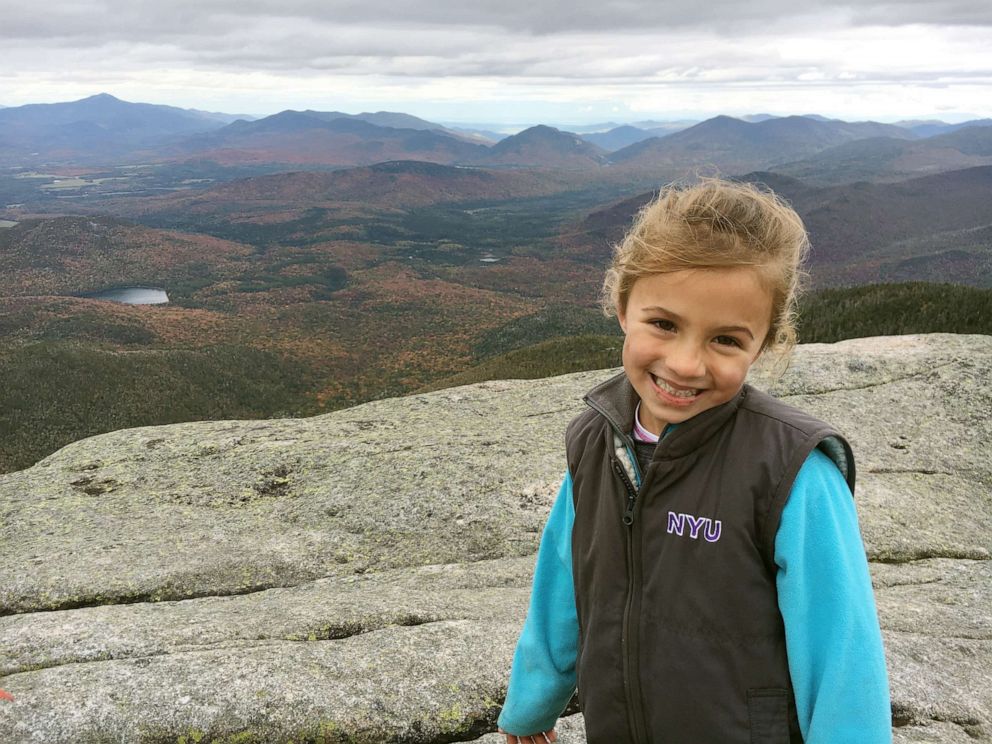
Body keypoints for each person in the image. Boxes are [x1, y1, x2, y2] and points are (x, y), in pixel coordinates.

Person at [496, 178, 892, 744]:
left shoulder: (791, 471)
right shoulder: (594, 440)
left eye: (726, 340)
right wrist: (532, 705)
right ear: (621, 307)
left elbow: (841, 652)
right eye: (663, 324)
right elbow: (563, 582)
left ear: (765, 344)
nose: (685, 364)